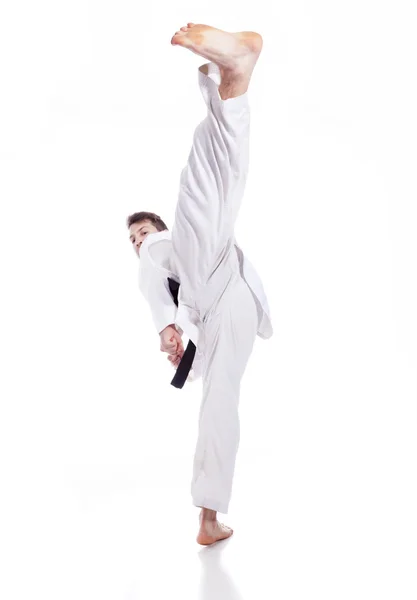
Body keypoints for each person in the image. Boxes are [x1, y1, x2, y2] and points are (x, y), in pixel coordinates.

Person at [127, 23, 273, 545]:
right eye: (133, 237)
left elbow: (154, 270)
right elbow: (161, 298)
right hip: (220, 312)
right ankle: (209, 518)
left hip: (217, 271)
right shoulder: (164, 279)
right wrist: (175, 331)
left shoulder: (162, 248)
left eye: (141, 232)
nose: (138, 241)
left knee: (203, 182)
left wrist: (164, 326)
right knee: (219, 403)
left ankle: (232, 76)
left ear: (155, 231)